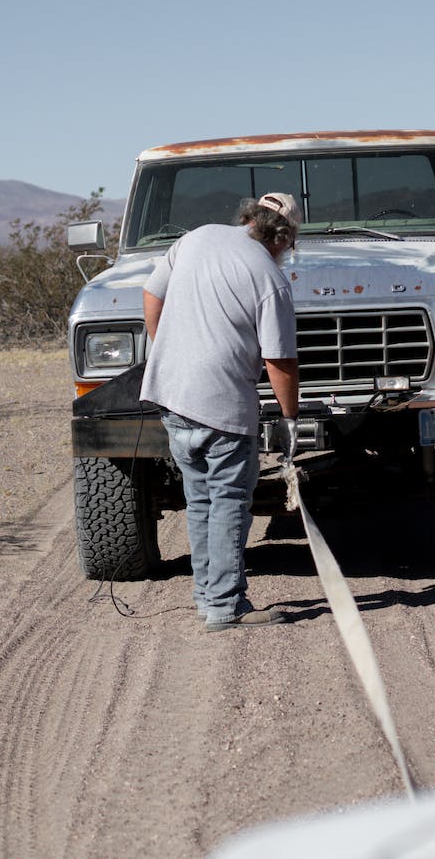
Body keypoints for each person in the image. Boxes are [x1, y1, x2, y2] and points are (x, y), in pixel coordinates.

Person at [140, 191, 301, 631]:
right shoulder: (268, 276)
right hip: (223, 404)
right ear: (282, 236)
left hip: (172, 396)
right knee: (229, 500)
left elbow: (151, 297)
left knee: (200, 500)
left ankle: (207, 596)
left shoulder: (195, 238)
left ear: (250, 218)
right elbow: (280, 361)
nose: (288, 252)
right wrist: (290, 420)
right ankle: (226, 606)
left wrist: (169, 353)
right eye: (291, 243)